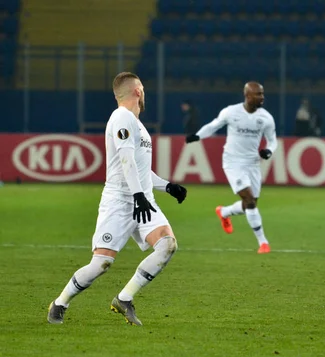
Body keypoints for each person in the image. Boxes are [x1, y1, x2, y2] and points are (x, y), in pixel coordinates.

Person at [47, 72, 188, 326]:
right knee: (101, 263)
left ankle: (124, 299)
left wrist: (167, 186)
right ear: (137, 90)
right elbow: (125, 161)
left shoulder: (138, 125)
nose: (144, 92)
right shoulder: (122, 117)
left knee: (167, 244)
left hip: (142, 201)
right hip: (120, 201)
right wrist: (137, 195)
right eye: (142, 88)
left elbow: (139, 168)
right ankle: (60, 302)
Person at [185, 81, 277, 253]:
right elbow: (214, 125)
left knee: (250, 203)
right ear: (248, 96)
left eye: (263, 94)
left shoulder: (266, 118)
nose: (262, 97)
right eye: (258, 94)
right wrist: (197, 136)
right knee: (249, 200)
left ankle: (224, 212)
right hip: (233, 162)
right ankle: (263, 243)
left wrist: (269, 151)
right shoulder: (231, 112)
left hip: (252, 163)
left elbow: (273, 140)